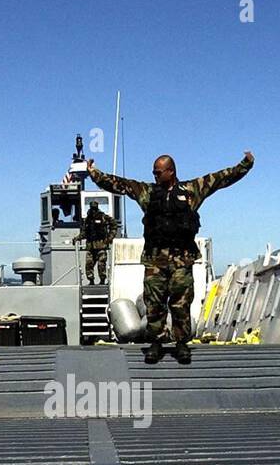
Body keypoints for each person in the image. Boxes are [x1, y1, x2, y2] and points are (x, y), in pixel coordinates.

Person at [87, 150, 253, 363]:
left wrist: (245, 164)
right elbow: (119, 184)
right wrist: (94, 173)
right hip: (155, 261)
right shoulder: (147, 192)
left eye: (158, 172)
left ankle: (181, 344)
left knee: (180, 305)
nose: (154, 176)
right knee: (154, 305)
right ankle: (155, 344)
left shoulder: (192, 190)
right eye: (154, 173)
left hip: (182, 260)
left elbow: (221, 179)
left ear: (171, 172)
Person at [81, 200, 117, 285]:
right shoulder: (87, 219)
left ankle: (102, 280)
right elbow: (84, 232)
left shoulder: (103, 217)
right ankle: (91, 280)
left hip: (101, 245)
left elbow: (114, 225)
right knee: (89, 264)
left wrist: (110, 237)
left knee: (101, 265)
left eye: (94, 208)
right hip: (91, 246)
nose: (93, 210)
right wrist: (77, 238)